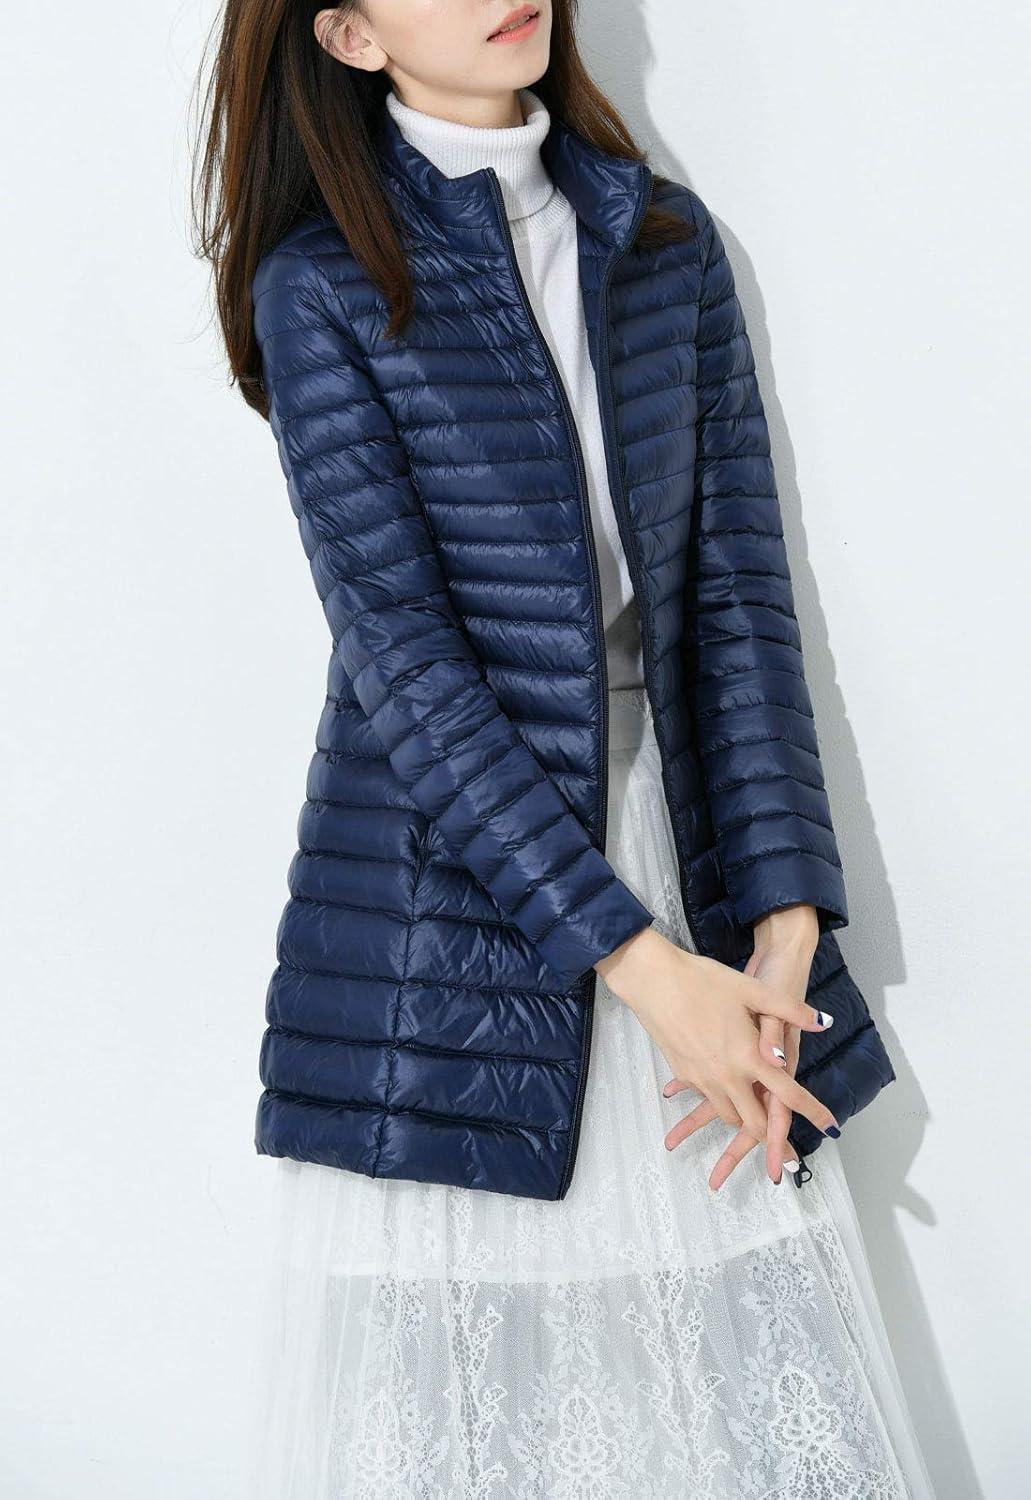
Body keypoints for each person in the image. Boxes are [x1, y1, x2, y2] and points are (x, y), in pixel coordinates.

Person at [192, 1, 934, 1493]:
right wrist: (648, 973)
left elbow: (736, 594)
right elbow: (408, 673)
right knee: (479, 1421)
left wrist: (783, 925)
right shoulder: (323, 286)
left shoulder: (662, 242)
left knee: (743, 1385)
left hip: (683, 853)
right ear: (349, 37)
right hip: (459, 902)